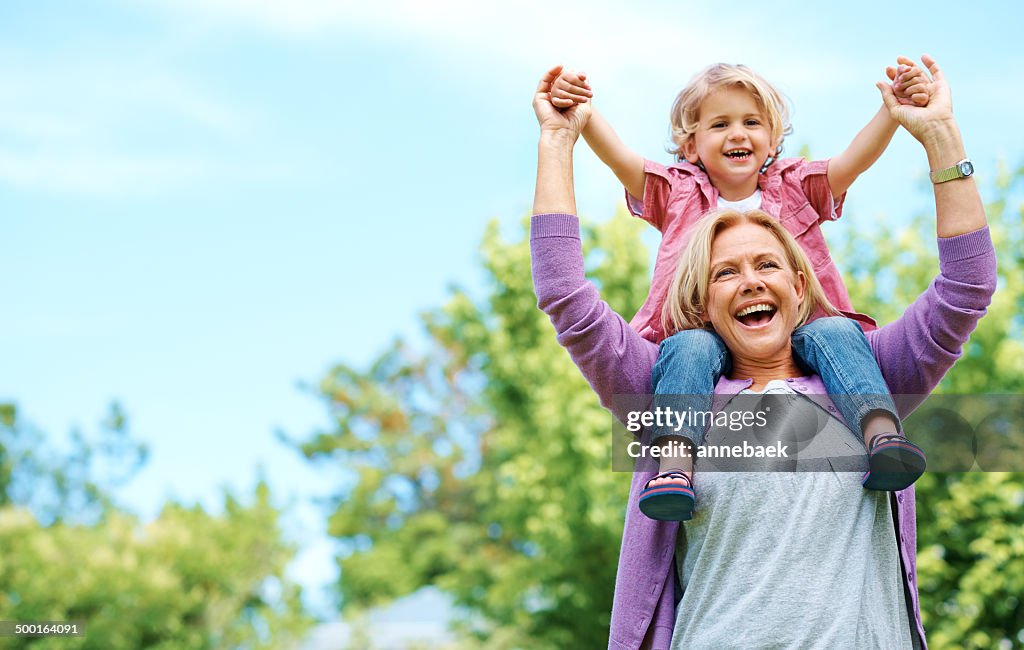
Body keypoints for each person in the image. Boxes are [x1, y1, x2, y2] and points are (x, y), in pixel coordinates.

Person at [530, 55, 995, 648]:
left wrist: (938, 135)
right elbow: (565, 296)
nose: (750, 281)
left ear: (801, 285)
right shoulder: (666, 391)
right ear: (699, 299)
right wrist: (558, 139)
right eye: (726, 273)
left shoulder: (866, 376)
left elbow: (967, 286)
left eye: (768, 264)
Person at [547, 61, 933, 520]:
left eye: (751, 122)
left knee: (838, 334)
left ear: (771, 138)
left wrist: (892, 111)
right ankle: (674, 467)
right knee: (688, 348)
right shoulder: (678, 192)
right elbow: (621, 160)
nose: (737, 134)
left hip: (794, 329)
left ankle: (882, 435)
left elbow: (853, 161)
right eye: (720, 124)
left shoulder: (795, 188)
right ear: (691, 146)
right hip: (703, 330)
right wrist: (584, 114)